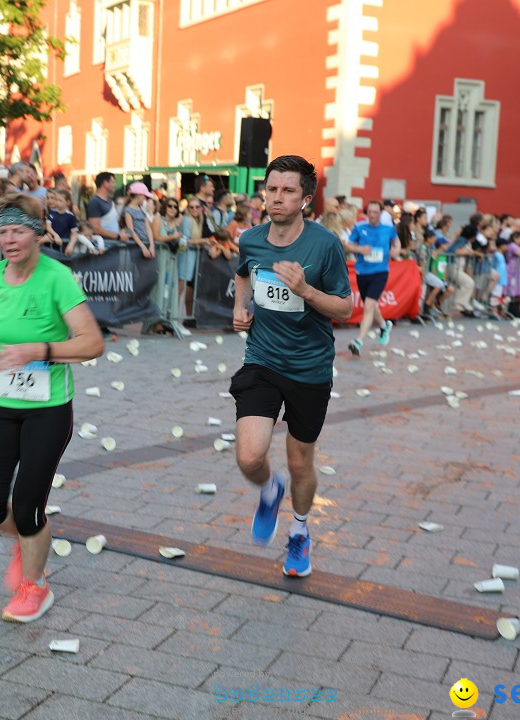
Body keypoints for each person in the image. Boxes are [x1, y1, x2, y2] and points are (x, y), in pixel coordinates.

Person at [0, 193, 104, 622]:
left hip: (48, 407)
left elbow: (92, 343)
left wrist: (37, 349)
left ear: (39, 233)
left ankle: (36, 585)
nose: (8, 239)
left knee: (27, 504)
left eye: (18, 231)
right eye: (1, 231)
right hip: (2, 402)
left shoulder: (56, 278)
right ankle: (28, 541)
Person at [230, 155, 352, 578]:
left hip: (310, 367)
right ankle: (269, 489)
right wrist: (240, 305)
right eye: (272, 189)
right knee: (249, 456)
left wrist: (306, 290)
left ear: (305, 199)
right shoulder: (251, 239)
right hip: (262, 358)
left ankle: (299, 532)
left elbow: (346, 306)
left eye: (287, 191)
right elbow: (244, 274)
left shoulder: (324, 245)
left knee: (300, 463)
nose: (276, 198)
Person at [346, 200, 398, 356]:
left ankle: (359, 341)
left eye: (375, 212)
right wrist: (359, 249)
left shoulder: (388, 228)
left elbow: (397, 241)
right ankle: (384, 325)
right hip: (363, 272)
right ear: (366, 213)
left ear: (381, 213)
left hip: (380, 272)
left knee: (368, 305)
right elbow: (347, 245)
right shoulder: (360, 227)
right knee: (372, 306)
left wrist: (396, 250)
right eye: (370, 212)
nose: (372, 215)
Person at [180, 197, 214, 321]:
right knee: (181, 289)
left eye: (197, 207)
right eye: (191, 207)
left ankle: (188, 318)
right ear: (187, 209)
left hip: (192, 258)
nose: (194, 209)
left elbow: (212, 232)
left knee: (186, 288)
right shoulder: (188, 220)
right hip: (184, 258)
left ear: (201, 209)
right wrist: (202, 241)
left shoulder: (199, 221)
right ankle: (179, 318)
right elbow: (184, 240)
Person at [85, 172, 129, 247]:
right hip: (102, 247)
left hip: (112, 246)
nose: (115, 185)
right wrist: (117, 236)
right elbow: (95, 228)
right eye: (112, 182)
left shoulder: (110, 202)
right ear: (105, 183)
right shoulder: (94, 202)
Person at [123, 182, 157, 259]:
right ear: (139, 195)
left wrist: (152, 245)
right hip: (136, 247)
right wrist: (143, 247)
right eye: (145, 196)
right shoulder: (128, 210)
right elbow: (130, 230)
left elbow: (148, 228)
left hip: (147, 244)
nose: (145, 199)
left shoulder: (142, 210)